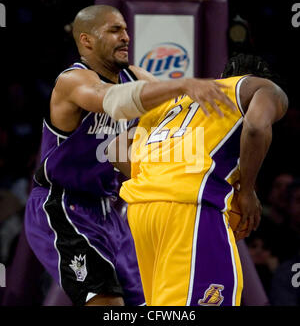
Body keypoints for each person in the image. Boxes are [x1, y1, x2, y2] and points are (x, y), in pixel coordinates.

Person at [24, 4, 235, 306]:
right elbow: (111, 101)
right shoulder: (73, 81)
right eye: (114, 30)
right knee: (108, 303)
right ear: (87, 40)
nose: (126, 36)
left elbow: (178, 106)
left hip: (110, 211)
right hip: (63, 206)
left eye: (125, 29)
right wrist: (183, 82)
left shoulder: (132, 75)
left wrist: (236, 100)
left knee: (148, 301)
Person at [110, 54, 288, 306]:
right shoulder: (262, 87)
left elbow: (116, 148)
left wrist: (157, 180)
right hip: (189, 210)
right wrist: (247, 191)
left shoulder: (173, 101)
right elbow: (257, 127)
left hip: (140, 213)